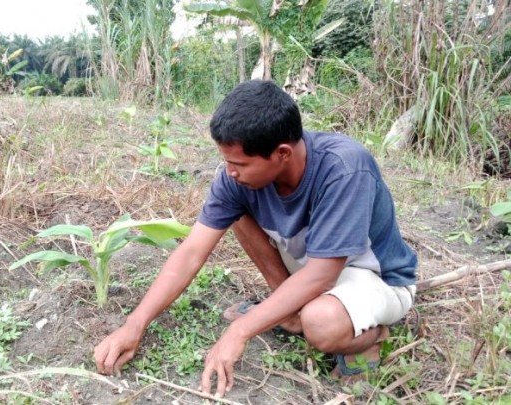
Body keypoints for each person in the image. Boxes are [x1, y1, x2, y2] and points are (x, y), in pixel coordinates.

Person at [94, 80, 417, 397]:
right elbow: (192, 251)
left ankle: (370, 338)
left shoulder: (344, 169)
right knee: (236, 215)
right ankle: (288, 313)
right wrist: (135, 324)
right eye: (226, 161)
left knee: (320, 322)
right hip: (313, 267)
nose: (229, 172)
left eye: (239, 164)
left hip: (375, 278)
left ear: (282, 153)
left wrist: (241, 330)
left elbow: (322, 274)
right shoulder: (237, 180)